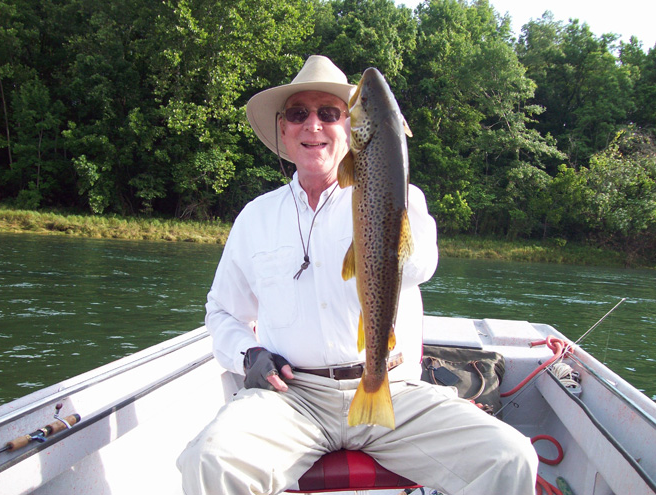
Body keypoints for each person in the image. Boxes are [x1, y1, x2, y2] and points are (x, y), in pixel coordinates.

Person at [177, 55, 538, 495]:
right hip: (294, 397)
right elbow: (222, 312)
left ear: (351, 126)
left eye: (329, 113)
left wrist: (392, 170)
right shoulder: (255, 218)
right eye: (298, 114)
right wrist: (247, 355)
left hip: (394, 387)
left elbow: (421, 266)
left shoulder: (400, 197)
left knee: (510, 457)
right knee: (209, 459)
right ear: (283, 130)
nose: (313, 126)